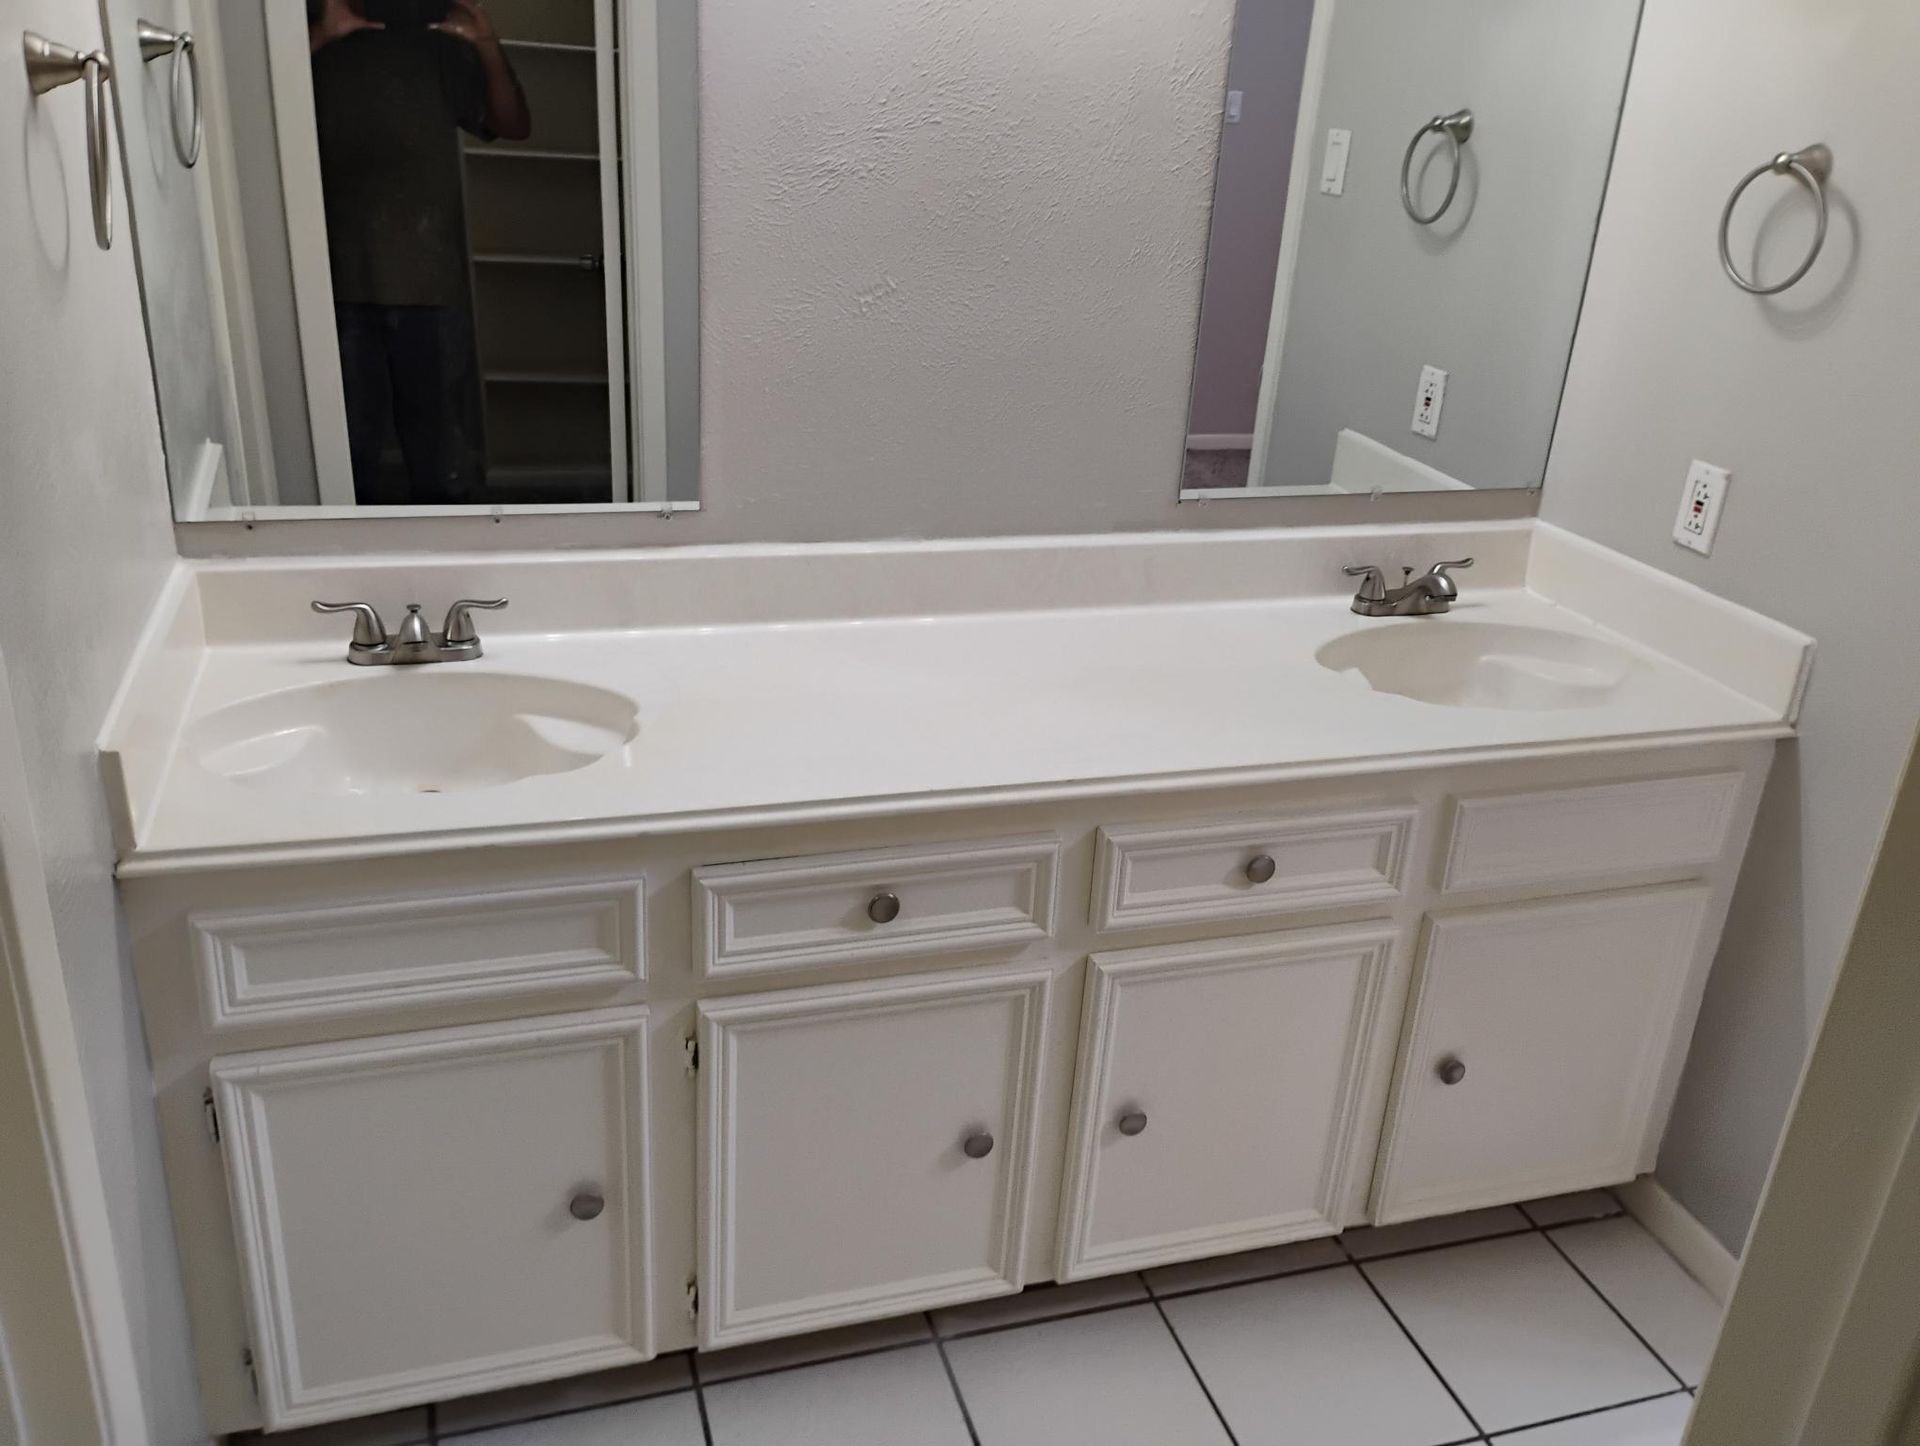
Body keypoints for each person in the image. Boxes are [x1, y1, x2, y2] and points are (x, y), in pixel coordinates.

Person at [307, 0, 532, 505]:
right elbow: (246, 113)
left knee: (443, 467)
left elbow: (514, 124)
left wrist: (484, 42)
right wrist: (322, 33)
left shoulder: (436, 45)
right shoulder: (305, 40)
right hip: (327, 284)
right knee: (340, 467)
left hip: (427, 281)